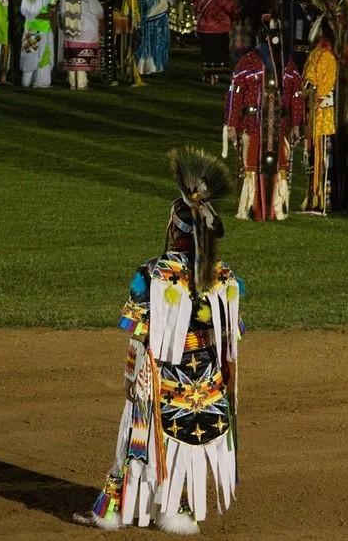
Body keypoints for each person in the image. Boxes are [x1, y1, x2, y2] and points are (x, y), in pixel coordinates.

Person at [74, 147, 243, 534]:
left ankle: (111, 511)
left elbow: (139, 336)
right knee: (186, 453)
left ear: (175, 228)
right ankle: (179, 512)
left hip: (161, 384)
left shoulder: (154, 273)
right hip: (207, 390)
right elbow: (231, 343)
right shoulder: (225, 276)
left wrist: (135, 380)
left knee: (131, 444)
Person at [224, 13, 305, 221]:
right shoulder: (248, 63)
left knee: (279, 168)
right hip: (253, 126)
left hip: (280, 127)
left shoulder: (287, 64)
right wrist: (231, 124)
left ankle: (277, 208)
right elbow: (235, 94)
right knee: (251, 166)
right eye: (271, 35)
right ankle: (252, 207)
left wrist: (297, 124)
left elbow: (297, 94)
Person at [301, 0, 348, 214]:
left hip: (324, 118)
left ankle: (322, 200)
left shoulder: (320, 55)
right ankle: (340, 200)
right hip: (343, 120)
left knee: (323, 160)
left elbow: (310, 85)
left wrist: (308, 98)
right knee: (340, 159)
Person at [59, 0, 103, 89]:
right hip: (86, 29)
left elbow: (62, 11)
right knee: (81, 57)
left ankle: (73, 83)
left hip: (70, 28)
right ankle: (82, 84)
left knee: (73, 56)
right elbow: (98, 10)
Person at [193, 0, 237, 84]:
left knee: (207, 53)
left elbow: (196, 5)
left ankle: (208, 75)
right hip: (219, 27)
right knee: (218, 53)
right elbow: (229, 7)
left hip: (203, 27)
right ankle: (217, 74)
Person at [20, 0, 55, 87]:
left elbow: (25, 11)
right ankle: (41, 82)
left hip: (29, 28)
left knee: (29, 55)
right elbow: (53, 3)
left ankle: (26, 81)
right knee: (43, 55)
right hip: (42, 29)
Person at [134, 0, 169, 74]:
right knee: (146, 41)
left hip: (155, 14)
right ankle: (146, 65)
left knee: (155, 41)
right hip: (147, 14)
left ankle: (153, 65)